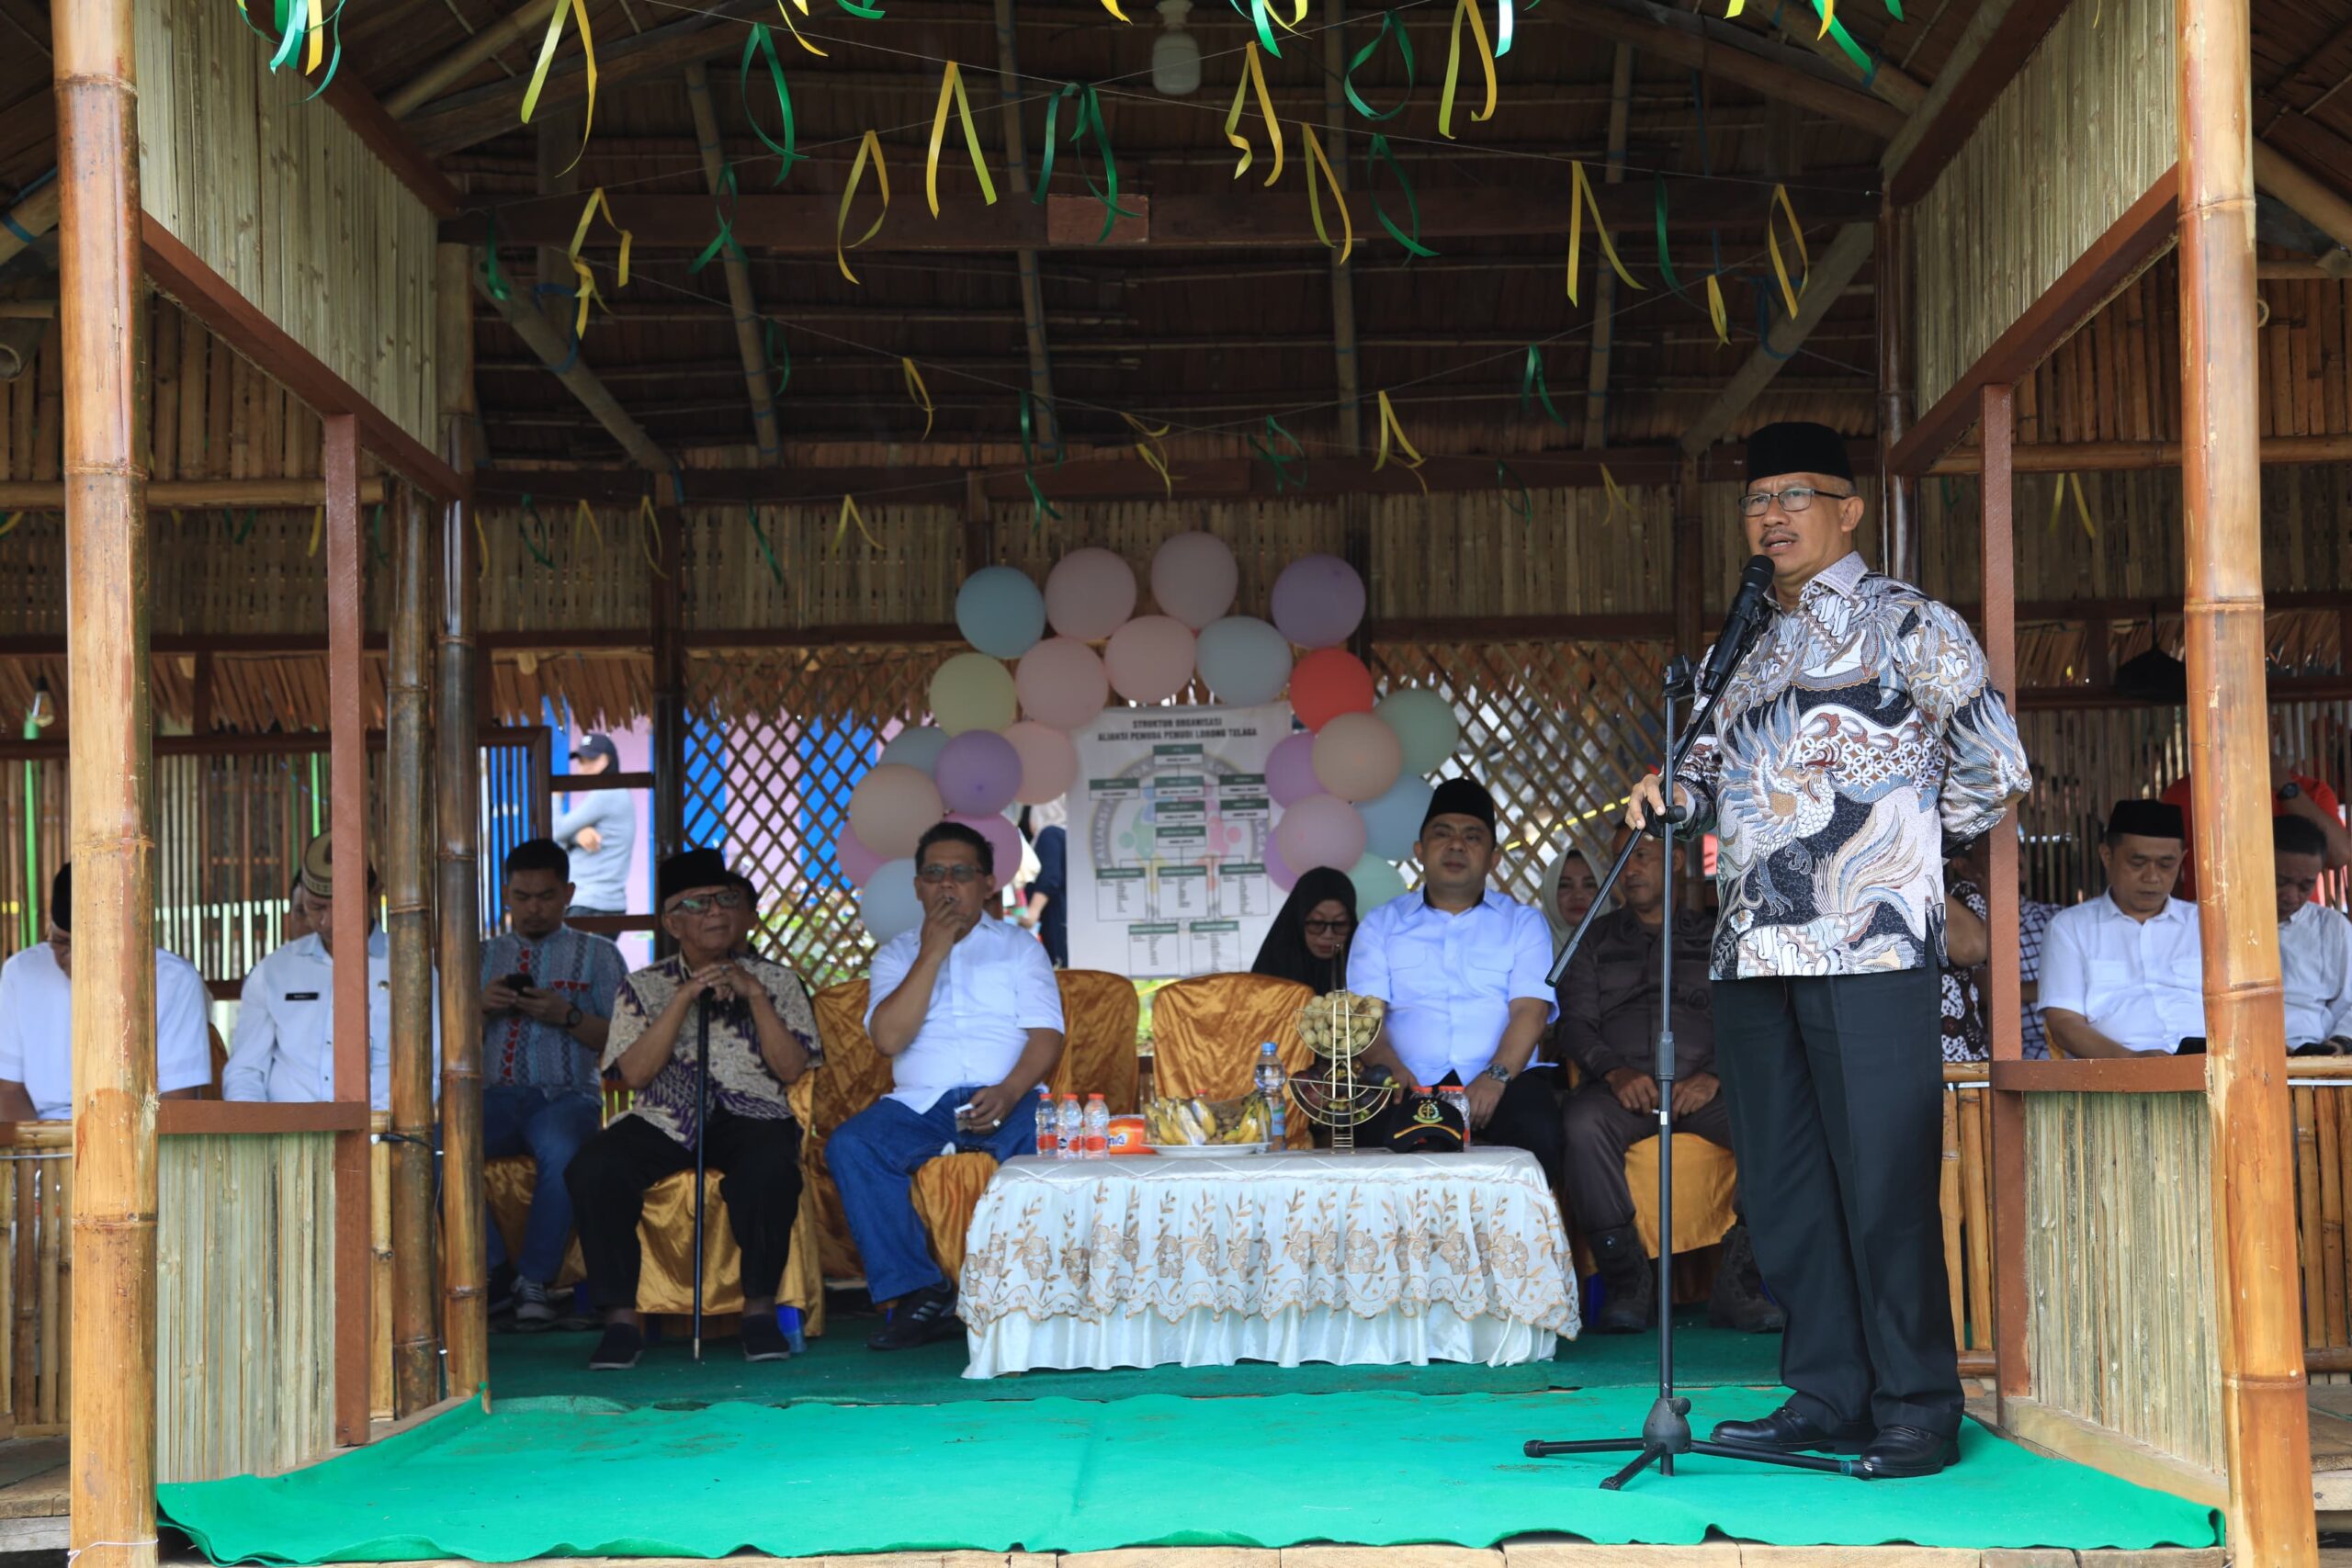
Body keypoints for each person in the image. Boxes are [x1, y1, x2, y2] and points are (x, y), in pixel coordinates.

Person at [1625, 421, 2030, 1480]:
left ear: (1847, 510)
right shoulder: (1742, 645)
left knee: (1884, 1183)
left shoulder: (1910, 625)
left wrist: (1897, 853)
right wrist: (1671, 789)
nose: (1772, 514)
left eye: (1796, 494)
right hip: (1754, 952)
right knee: (1786, 1187)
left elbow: (1994, 766)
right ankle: (1827, 1395)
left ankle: (1915, 1407)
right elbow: (1705, 772)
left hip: (1869, 948)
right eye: (1758, 497)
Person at [565, 849, 819, 1370]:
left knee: (770, 1169)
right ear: (672, 921)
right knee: (594, 1166)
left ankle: (759, 1313)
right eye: (699, 904)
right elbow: (633, 1076)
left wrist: (755, 997)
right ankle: (620, 1321)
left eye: (726, 900)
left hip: (753, 1113)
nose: (716, 913)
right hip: (665, 1115)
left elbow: (792, 1069)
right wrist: (683, 999)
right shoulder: (643, 985)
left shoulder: (779, 981)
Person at [832, 822, 1067, 1350]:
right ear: (917, 886)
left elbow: (1046, 1036)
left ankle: (1034, 1294)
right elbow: (889, 1039)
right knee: (853, 1145)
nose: (946, 884)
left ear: (987, 884)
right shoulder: (896, 955)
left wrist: (1009, 1092)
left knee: (1045, 1144)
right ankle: (921, 1294)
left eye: (961, 873)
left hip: (1007, 1094)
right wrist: (933, 951)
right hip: (921, 1105)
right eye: (934, 873)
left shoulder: (1017, 949)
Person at [1555, 830, 1779, 1335]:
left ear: (1676, 860)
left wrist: (1715, 1077)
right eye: (1619, 860)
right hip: (1622, 1089)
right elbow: (1574, 1025)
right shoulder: (1592, 937)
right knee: (1582, 1123)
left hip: (1704, 1087)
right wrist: (1614, 1072)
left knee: (1776, 1126)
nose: (1628, 869)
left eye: (1642, 856)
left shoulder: (1722, 934)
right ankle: (1626, 1284)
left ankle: (1739, 1283)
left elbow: (1752, 1018)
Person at [1346, 776, 1563, 1179]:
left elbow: (1530, 1013)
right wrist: (1392, 1070)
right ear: (1419, 851)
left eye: (1473, 836)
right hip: (1404, 1083)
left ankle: (1524, 1243)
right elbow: (1365, 1018)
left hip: (1503, 1083)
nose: (1457, 845)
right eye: (1442, 834)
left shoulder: (1524, 923)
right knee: (1368, 1143)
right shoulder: (1380, 926)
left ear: (1494, 858)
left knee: (1542, 1131)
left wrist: (1495, 1077)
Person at [479, 838, 629, 1325]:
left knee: (564, 1150)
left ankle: (535, 1281)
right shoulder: (479, 957)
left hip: (566, 1097)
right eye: (522, 897)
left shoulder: (600, 956)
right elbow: (441, 1040)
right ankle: (494, 1270)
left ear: (568, 893)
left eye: (545, 896)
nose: (533, 908)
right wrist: (481, 1008)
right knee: (432, 1147)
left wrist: (566, 1016)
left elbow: (624, 1043)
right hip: (492, 1097)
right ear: (506, 895)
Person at [224, 833, 437, 1110]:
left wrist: (380, 1135)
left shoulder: (409, 968)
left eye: (342, 908)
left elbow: (427, 1071)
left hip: (381, 1139)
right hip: (288, 1141)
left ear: (374, 895)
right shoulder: (273, 972)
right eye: (315, 907)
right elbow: (245, 1071)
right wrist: (259, 1132)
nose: (327, 921)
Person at [0, 864, 212, 1119]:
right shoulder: (20, 972)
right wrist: (38, 1155)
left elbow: (178, 1101)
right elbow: (9, 1092)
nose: (73, 958)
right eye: (61, 942)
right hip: (42, 1142)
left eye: (87, 946)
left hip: (134, 1138)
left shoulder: (173, 980)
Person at [2039, 800, 2207, 1059]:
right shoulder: (2070, 928)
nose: (2152, 877)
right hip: (2113, 1080)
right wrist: (2131, 1064)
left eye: (2166, 864)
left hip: (2213, 1073)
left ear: (2182, 860)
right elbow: (2063, 1023)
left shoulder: (2206, 924)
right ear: (2107, 856)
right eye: (2138, 863)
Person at [2159, 760, 2350, 903]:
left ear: (2274, 726)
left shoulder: (2311, 791)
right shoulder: (2186, 792)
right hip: (2212, 928)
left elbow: (2339, 856)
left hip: (2295, 927)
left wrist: (2286, 789)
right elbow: (2168, 872)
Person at [2274, 815, 2352, 1053]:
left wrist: (2339, 1044)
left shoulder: (2333, 927)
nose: (2291, 896)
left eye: (2305, 885)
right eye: (2280, 881)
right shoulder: (2211, 922)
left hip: (2313, 1055)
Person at [554, 733, 636, 918]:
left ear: (608, 761)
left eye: (592, 759)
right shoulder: (614, 792)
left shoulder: (607, 793)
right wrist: (577, 836)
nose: (584, 767)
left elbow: (555, 831)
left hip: (590, 904)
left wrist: (556, 797)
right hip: (602, 903)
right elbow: (560, 836)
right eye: (581, 761)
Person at [1251, 865, 1358, 995]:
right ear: (1298, 922)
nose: (1328, 935)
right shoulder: (1270, 975)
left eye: (1340, 924)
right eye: (1316, 923)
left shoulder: (1367, 971)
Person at [1017, 799, 1069, 966]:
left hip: (1056, 925)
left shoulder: (1049, 835)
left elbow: (1050, 879)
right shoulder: (1068, 837)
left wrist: (1033, 911)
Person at [1541, 845, 1603, 944]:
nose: (1578, 896)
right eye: (1565, 885)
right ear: (1549, 893)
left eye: (1589, 885)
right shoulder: (1527, 947)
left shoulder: (1624, 945)